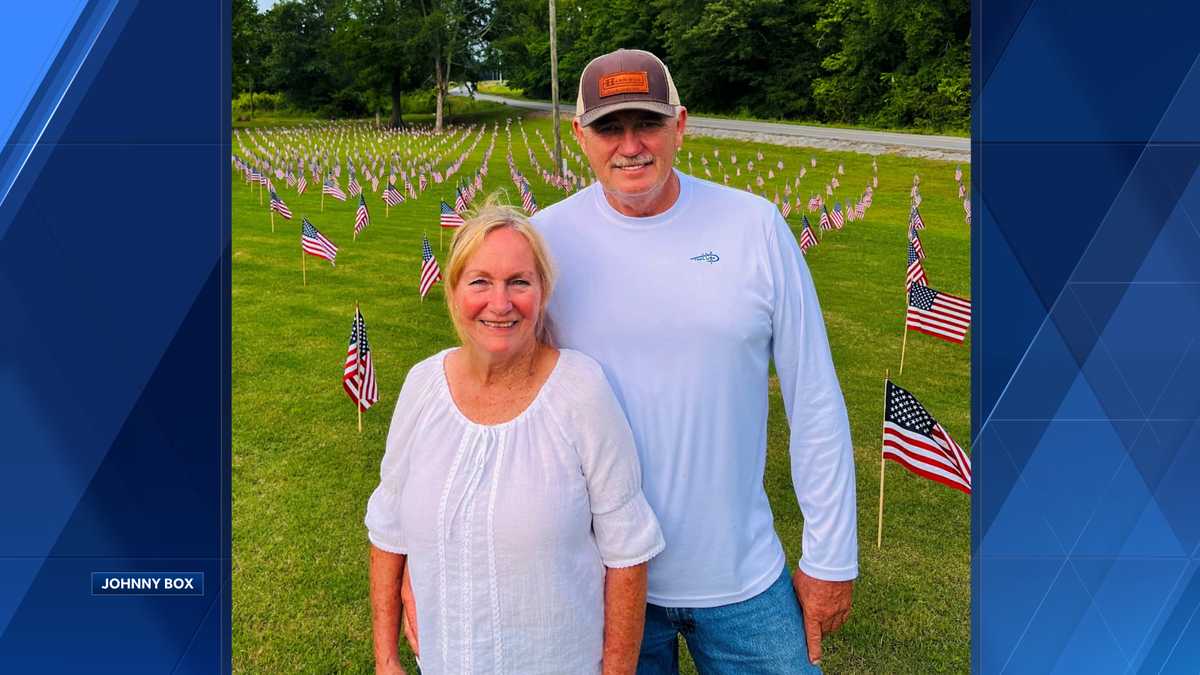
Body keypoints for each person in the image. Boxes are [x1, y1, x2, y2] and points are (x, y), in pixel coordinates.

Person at [535, 49, 858, 673]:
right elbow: (496, 397)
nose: (631, 146)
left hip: (742, 578)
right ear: (579, 135)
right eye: (609, 127)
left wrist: (831, 556)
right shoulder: (545, 241)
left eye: (648, 123)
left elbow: (814, 399)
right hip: (605, 580)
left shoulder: (754, 227)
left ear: (680, 124)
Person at [365, 203, 665, 675]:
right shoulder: (423, 384)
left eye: (519, 282)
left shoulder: (580, 390)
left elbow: (627, 552)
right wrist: (386, 660)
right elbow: (388, 529)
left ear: (542, 293)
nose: (500, 303)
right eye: (480, 282)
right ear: (453, 291)